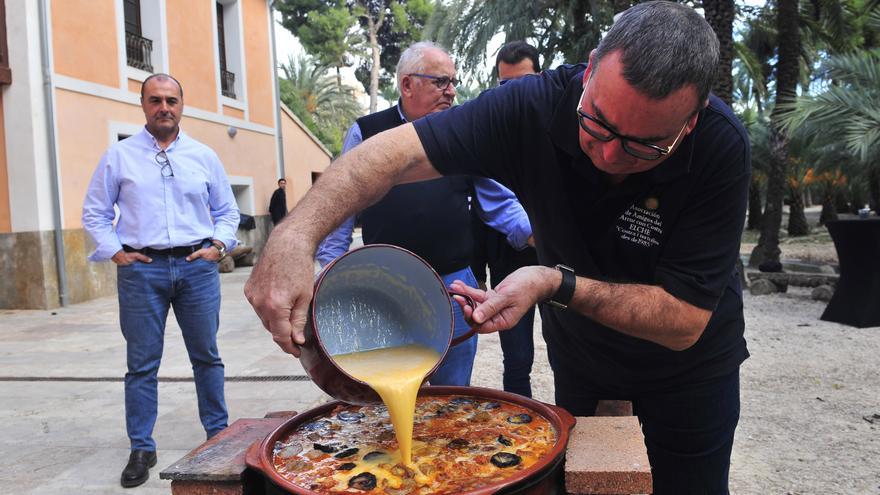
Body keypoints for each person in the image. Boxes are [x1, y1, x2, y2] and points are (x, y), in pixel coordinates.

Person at [245, 2, 750, 493]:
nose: (609, 155)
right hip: (582, 360)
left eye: (644, 146)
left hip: (690, 375)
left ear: (692, 117)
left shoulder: (719, 146)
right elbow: (390, 154)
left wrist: (554, 281)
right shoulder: (529, 106)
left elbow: (684, 322)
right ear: (590, 70)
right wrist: (293, 236)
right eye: (597, 123)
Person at [315, 41, 532, 386]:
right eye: (440, 82)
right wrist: (327, 273)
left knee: (452, 395)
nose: (451, 92)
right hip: (383, 289)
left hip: (454, 286)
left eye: (453, 83)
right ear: (406, 85)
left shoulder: (465, 132)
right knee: (390, 387)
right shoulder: (368, 132)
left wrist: (540, 234)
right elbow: (341, 208)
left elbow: (501, 204)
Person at [82, 73, 240, 488]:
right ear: (143, 105)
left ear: (182, 104)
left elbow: (227, 211)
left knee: (207, 356)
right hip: (142, 270)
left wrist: (219, 246)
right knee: (141, 364)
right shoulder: (119, 156)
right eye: (155, 100)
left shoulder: (204, 156)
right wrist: (116, 251)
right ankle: (141, 446)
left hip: (196, 267)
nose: (164, 107)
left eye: (171, 99)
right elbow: (95, 211)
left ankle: (218, 435)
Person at [473, 41, 543, 398]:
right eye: (505, 85)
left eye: (524, 83)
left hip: (556, 258)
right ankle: (523, 430)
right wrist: (551, 233)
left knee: (572, 353)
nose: (514, 94)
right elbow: (498, 205)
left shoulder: (558, 128)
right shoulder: (487, 136)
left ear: (541, 79)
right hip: (511, 260)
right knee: (517, 358)